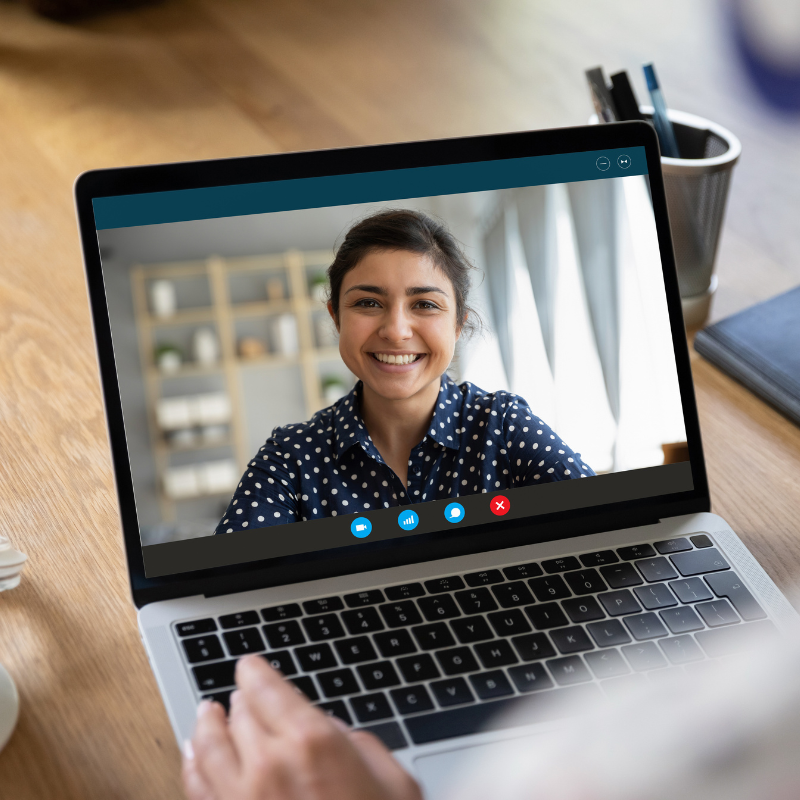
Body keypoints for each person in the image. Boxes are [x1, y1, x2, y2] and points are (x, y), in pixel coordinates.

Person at [215, 209, 593, 535]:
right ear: (336, 317)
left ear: (458, 324)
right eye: (368, 302)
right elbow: (226, 584)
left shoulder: (503, 426)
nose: (396, 330)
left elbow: (611, 522)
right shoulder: (291, 458)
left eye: (425, 304)